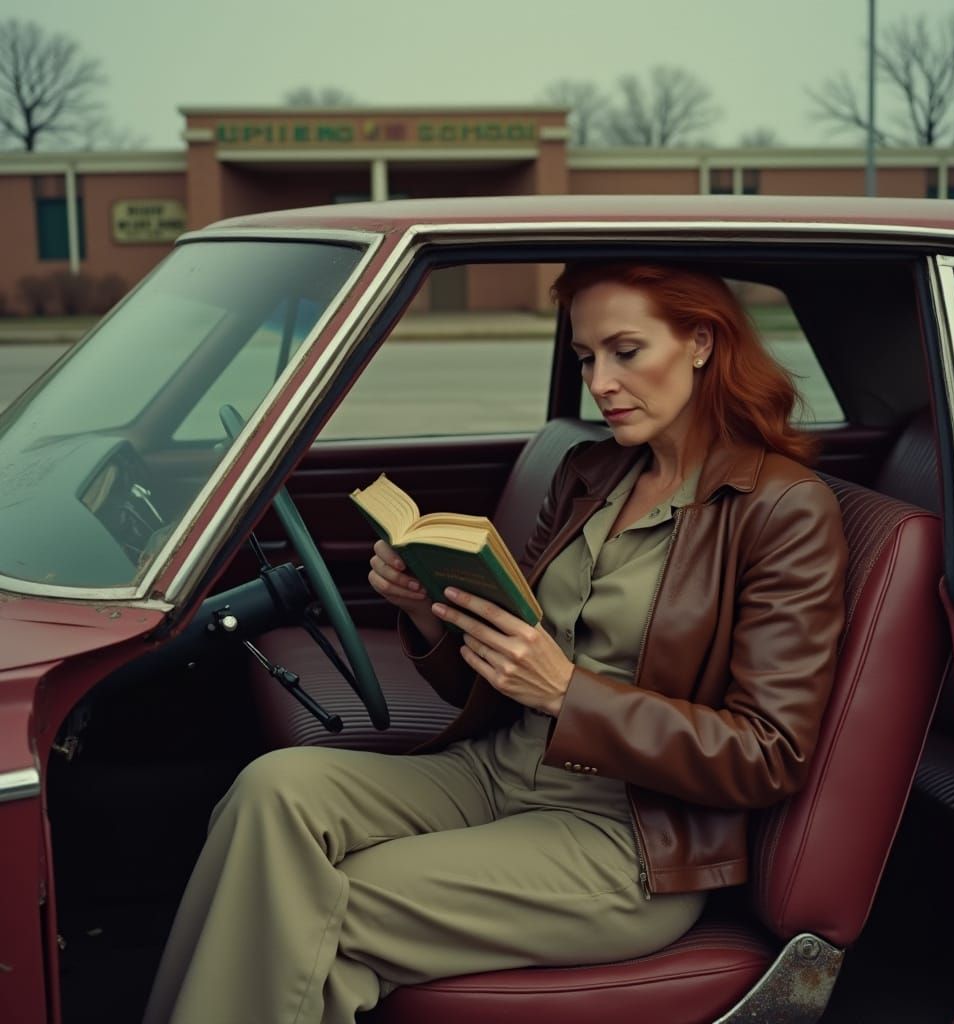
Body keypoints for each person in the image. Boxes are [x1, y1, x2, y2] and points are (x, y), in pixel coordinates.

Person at [143, 263, 848, 1024]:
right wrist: (429, 614)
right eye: (586, 358)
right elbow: (503, 672)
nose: (601, 383)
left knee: (310, 899)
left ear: (701, 342)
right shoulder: (593, 472)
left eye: (626, 352)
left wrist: (566, 693)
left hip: (630, 836)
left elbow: (769, 754)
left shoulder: (782, 509)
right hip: (497, 767)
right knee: (270, 792)